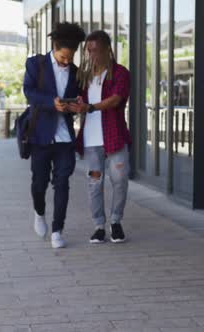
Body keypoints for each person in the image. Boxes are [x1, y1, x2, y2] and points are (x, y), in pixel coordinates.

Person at [23, 22, 86, 249]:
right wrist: (52, 102)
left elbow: (78, 99)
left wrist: (76, 106)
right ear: (54, 47)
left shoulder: (76, 73)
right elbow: (29, 92)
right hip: (40, 136)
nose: (67, 61)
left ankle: (58, 230)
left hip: (65, 139)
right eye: (63, 56)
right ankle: (39, 213)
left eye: (70, 58)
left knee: (62, 182)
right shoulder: (35, 64)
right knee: (39, 183)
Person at [69, 30, 131, 244]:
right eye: (89, 51)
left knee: (120, 181)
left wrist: (90, 107)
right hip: (92, 141)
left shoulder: (120, 73)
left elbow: (115, 100)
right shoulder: (85, 76)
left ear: (107, 49)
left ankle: (115, 222)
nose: (91, 55)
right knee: (95, 183)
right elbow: (82, 103)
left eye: (95, 50)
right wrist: (77, 105)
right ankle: (98, 226)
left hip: (115, 139)